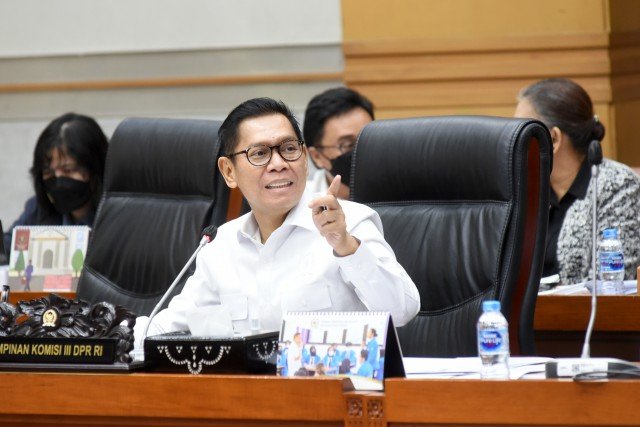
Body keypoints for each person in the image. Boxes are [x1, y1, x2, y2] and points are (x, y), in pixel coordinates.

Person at [135, 97, 419, 348]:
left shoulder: (348, 223)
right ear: (229, 171)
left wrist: (345, 245)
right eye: (259, 154)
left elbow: (402, 310)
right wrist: (116, 334)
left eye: (289, 148)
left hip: (332, 388)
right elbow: (167, 326)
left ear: (304, 158)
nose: (279, 163)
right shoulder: (220, 246)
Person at [515, 78, 640, 285]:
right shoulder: (525, 188)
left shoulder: (617, 186)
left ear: (554, 139)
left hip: (584, 306)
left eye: (522, 130)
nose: (514, 140)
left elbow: (611, 285)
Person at [2, 113, 109, 256]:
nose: (58, 179)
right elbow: (8, 246)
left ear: (95, 168)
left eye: (68, 170)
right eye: (49, 172)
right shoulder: (38, 209)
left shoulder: (116, 216)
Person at [304, 87, 374, 199]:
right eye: (348, 145)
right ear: (317, 156)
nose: (363, 149)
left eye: (369, 138)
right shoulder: (302, 203)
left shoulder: (398, 192)